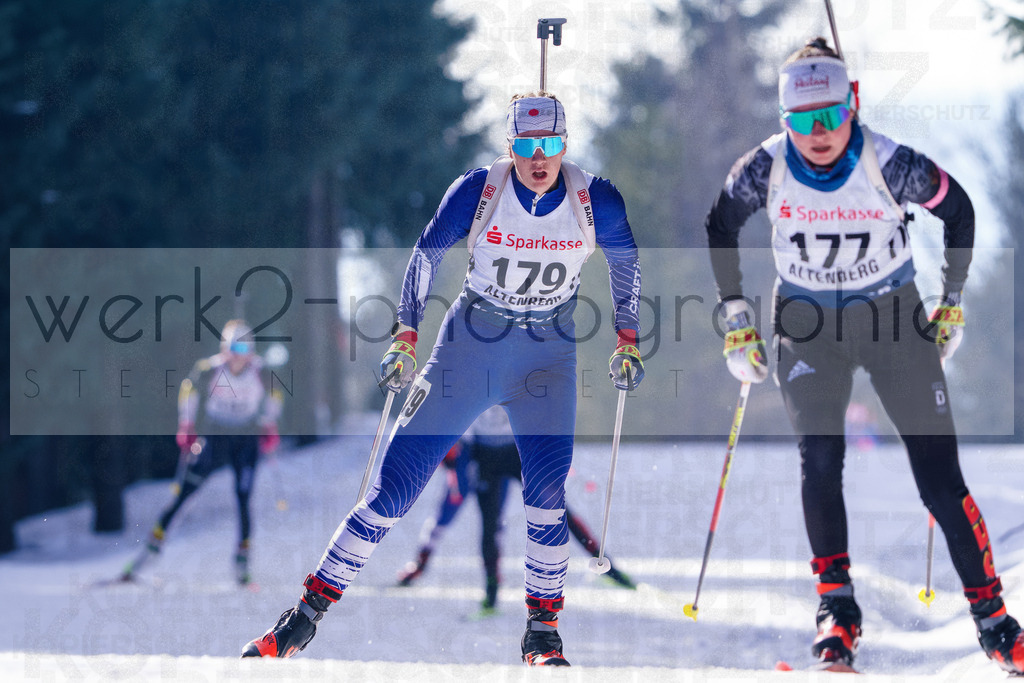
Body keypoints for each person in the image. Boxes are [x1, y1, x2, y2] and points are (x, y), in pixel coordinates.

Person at [242, 91, 643, 666]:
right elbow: (427, 254)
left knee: (547, 494)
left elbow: (625, 261)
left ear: (563, 145)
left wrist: (627, 339)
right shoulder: (479, 189)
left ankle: (542, 634)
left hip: (545, 359)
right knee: (393, 488)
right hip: (468, 350)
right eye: (526, 145)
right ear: (511, 146)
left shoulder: (593, 198)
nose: (538, 157)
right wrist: (406, 334)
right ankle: (301, 620)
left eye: (550, 144)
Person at [703, 37, 1023, 674]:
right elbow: (719, 225)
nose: (817, 134)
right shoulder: (764, 169)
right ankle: (837, 612)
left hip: (893, 319)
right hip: (806, 323)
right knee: (820, 458)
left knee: (939, 477)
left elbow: (959, 213)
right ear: (784, 119)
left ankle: (995, 622)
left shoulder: (891, 163)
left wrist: (951, 301)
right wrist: (735, 315)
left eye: (829, 116)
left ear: (851, 105)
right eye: (801, 120)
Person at [396, 405, 636, 615]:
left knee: (556, 510)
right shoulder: (470, 368)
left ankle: (605, 565)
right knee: (489, 524)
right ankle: (490, 594)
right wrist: (454, 461)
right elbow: (452, 420)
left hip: (517, 451)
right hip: (483, 457)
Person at [121, 319, 283, 586]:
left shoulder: (261, 371)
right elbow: (188, 390)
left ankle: (242, 562)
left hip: (245, 438)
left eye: (244, 348)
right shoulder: (210, 368)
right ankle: (149, 552)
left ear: (251, 351)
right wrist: (186, 423)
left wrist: (269, 422)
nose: (238, 355)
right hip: (216, 435)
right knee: (185, 491)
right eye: (233, 348)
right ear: (224, 348)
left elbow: (276, 395)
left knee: (243, 498)